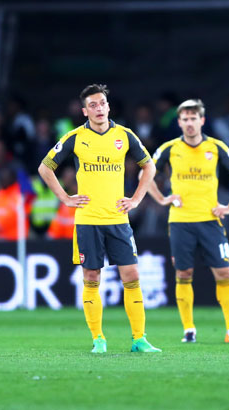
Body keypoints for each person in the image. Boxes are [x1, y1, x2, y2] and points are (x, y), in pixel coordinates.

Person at [38, 84, 160, 354]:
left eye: (102, 103)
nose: (98, 108)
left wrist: (137, 198)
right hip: (87, 220)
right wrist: (65, 198)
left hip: (117, 219)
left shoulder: (124, 136)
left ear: (108, 106)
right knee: (92, 277)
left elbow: (149, 166)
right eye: (92, 105)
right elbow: (45, 168)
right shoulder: (74, 138)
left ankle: (139, 339)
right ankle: (98, 339)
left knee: (131, 275)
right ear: (85, 111)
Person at [146, 99, 229, 344]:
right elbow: (147, 173)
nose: (189, 123)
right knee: (184, 273)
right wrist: (162, 199)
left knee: (224, 271)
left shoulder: (216, 147)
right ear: (179, 122)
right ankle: (189, 329)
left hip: (210, 220)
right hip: (180, 221)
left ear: (202, 120)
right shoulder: (169, 148)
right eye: (184, 119)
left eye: (193, 118)